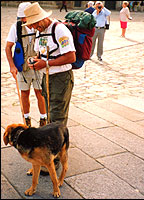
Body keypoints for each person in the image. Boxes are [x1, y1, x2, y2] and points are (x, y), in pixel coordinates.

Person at [23, 2, 76, 174]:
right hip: (46, 77)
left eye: (34, 23)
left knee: (58, 119)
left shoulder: (60, 30)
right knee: (50, 116)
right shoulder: (40, 32)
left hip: (61, 78)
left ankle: (57, 159)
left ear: (42, 19)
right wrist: (35, 61)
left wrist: (46, 63)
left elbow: (71, 56)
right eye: (30, 25)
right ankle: (50, 154)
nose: (33, 27)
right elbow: (41, 54)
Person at [5, 2, 47, 127]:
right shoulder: (16, 27)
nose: (23, 20)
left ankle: (43, 119)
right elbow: (8, 48)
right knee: (24, 93)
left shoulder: (39, 25)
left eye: (25, 17)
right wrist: (12, 66)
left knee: (40, 93)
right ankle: (27, 119)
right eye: (21, 18)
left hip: (38, 65)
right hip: (22, 66)